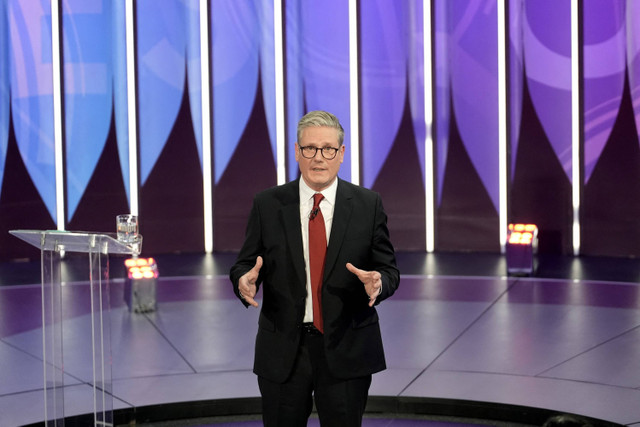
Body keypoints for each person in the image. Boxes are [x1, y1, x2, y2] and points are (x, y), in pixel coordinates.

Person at [230, 110, 400, 426]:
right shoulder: (268, 204)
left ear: (341, 154)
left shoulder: (368, 204)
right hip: (283, 350)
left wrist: (378, 283)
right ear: (297, 151)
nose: (318, 158)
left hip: (346, 347)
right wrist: (243, 280)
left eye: (328, 149)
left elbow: (389, 270)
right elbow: (245, 263)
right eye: (309, 148)